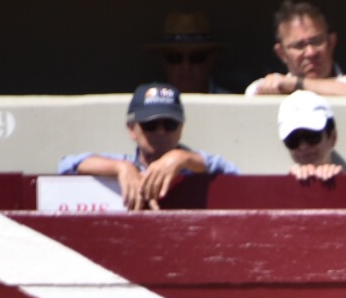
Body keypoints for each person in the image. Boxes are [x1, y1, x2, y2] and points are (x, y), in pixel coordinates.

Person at [57, 83, 238, 211]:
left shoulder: (192, 167)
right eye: (150, 125)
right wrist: (120, 168)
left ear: (181, 128)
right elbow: (66, 166)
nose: (160, 132)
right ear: (132, 129)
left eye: (169, 125)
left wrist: (183, 158)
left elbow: (235, 175)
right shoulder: (125, 164)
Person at [245, 0, 346, 97]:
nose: (311, 52)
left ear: (331, 42)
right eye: (299, 46)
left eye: (317, 41)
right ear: (281, 53)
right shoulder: (270, 87)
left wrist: (296, 84)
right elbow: (251, 95)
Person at [149, 11, 232, 95]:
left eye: (196, 57)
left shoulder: (231, 105)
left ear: (211, 60)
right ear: (164, 61)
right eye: (175, 58)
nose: (186, 66)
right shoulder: (149, 105)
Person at [278, 91, 346, 180]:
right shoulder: (274, 191)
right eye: (293, 140)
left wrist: (342, 184)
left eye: (311, 136)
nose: (303, 146)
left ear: (333, 138)